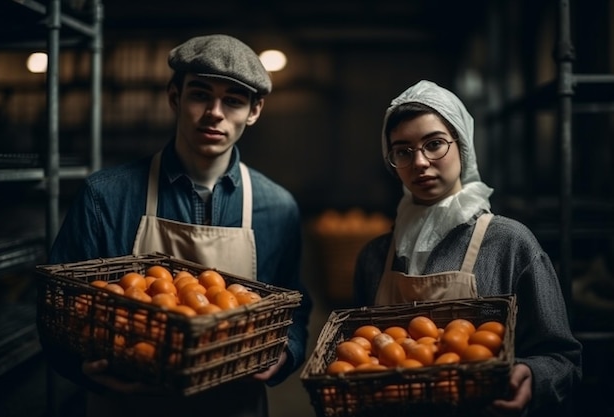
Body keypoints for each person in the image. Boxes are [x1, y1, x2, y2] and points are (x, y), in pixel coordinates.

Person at [45, 33, 312, 417]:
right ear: (175, 97)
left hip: (234, 404)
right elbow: (62, 309)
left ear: (254, 112)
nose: (215, 112)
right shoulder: (106, 195)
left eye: (233, 101)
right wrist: (83, 369)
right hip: (130, 403)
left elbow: (296, 307)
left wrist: (284, 355)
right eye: (200, 94)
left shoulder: (278, 207)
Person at [353, 80, 582, 416]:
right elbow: (358, 350)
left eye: (434, 144)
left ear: (462, 145)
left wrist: (532, 376)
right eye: (403, 150)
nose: (419, 162)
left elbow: (562, 358)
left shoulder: (509, 243)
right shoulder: (374, 256)